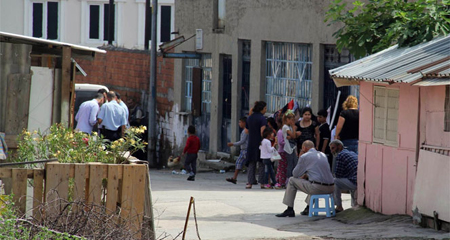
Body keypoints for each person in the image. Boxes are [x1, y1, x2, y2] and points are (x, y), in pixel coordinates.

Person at [276, 140, 334, 217]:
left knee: (291, 180)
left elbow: (295, 174)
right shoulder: (323, 155)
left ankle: (289, 208)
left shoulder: (304, 157)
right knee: (312, 182)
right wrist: (306, 174)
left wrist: (300, 158)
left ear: (304, 148)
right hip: (331, 187)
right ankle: (308, 208)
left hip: (317, 188)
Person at [329, 140, 358, 212]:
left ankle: (339, 206)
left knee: (334, 181)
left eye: (333, 148)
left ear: (339, 146)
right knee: (347, 180)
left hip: (355, 181)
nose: (332, 151)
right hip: (358, 179)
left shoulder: (341, 155)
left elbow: (338, 174)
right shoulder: (351, 152)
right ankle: (354, 205)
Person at [245, 101, 267, 189]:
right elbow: (262, 132)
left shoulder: (250, 118)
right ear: (261, 109)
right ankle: (262, 183)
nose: (266, 110)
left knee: (251, 162)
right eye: (265, 108)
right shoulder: (262, 119)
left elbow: (246, 131)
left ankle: (250, 182)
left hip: (251, 142)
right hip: (260, 142)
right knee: (261, 163)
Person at [226, 117, 248, 184]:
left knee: (239, 163)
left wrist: (233, 144)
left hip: (245, 150)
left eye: (240, 122)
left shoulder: (245, 131)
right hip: (244, 150)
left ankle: (235, 178)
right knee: (243, 163)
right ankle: (234, 178)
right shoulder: (245, 131)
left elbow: (242, 141)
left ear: (244, 123)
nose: (239, 124)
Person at [282, 110, 298, 182]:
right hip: (288, 148)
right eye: (291, 120)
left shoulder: (290, 127)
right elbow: (294, 136)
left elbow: (292, 136)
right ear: (287, 119)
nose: (293, 122)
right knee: (290, 164)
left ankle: (294, 178)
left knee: (295, 162)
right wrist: (293, 128)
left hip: (293, 147)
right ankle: (288, 179)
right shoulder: (286, 127)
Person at [275, 117, 287, 189]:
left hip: (284, 151)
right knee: (282, 168)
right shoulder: (280, 132)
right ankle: (281, 182)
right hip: (282, 151)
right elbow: (280, 142)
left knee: (282, 167)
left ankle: (280, 181)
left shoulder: (285, 131)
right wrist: (287, 142)